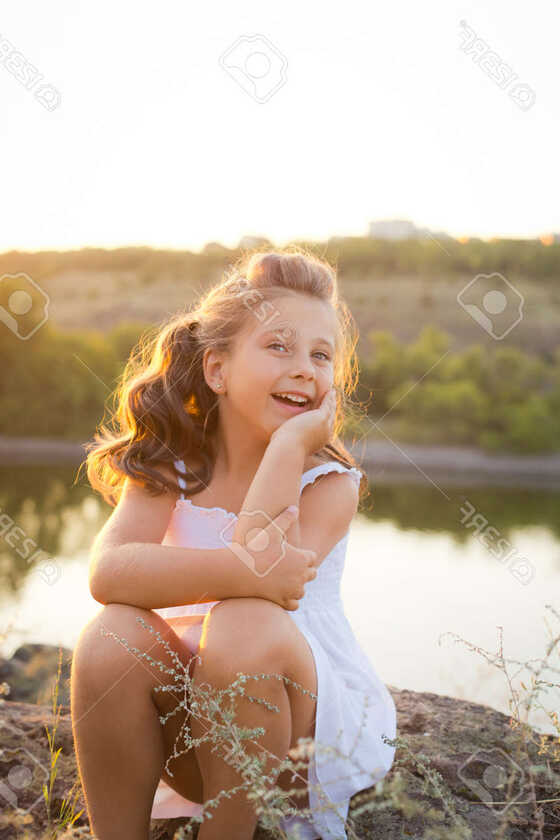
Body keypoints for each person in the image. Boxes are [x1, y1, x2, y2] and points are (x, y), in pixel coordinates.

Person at [71, 247, 397, 840]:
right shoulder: (169, 468)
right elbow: (110, 574)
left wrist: (291, 446)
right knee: (109, 635)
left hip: (302, 743)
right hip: (197, 743)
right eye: (279, 346)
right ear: (217, 370)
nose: (305, 368)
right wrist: (242, 574)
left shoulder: (326, 484)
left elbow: (265, 565)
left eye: (321, 356)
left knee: (246, 620)